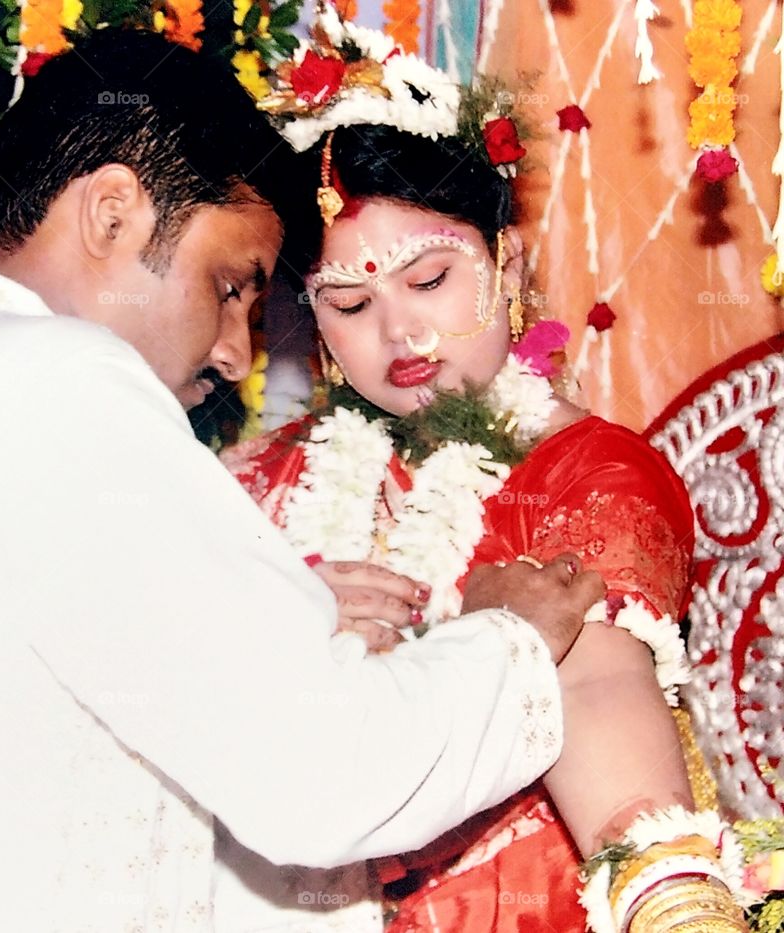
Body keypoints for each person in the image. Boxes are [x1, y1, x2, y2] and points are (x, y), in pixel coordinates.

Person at [0, 28, 603, 933]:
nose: (237, 353)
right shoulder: (58, 380)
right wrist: (511, 636)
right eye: (232, 285)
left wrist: (279, 626)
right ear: (112, 213)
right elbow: (325, 770)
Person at [220, 7, 750, 932]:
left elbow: (589, 684)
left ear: (504, 258)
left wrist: (675, 904)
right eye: (348, 301)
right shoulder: (263, 482)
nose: (400, 332)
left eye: (430, 280)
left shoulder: (589, 473)